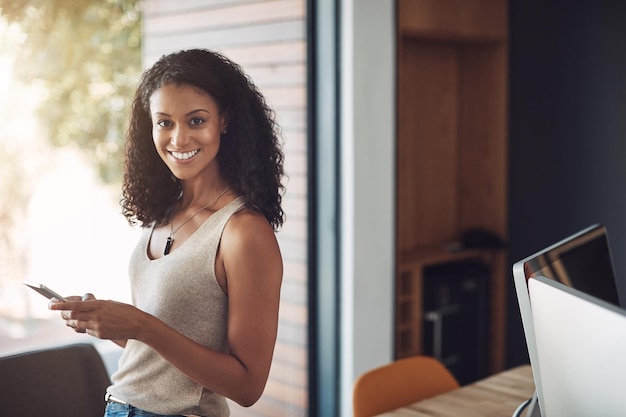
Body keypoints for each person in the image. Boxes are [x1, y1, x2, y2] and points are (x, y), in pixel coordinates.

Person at [50, 48, 285, 417]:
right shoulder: (165, 214)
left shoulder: (242, 232)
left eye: (195, 121)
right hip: (120, 406)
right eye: (164, 123)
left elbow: (248, 385)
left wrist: (143, 325)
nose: (178, 139)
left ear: (224, 120)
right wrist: (112, 323)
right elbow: (166, 351)